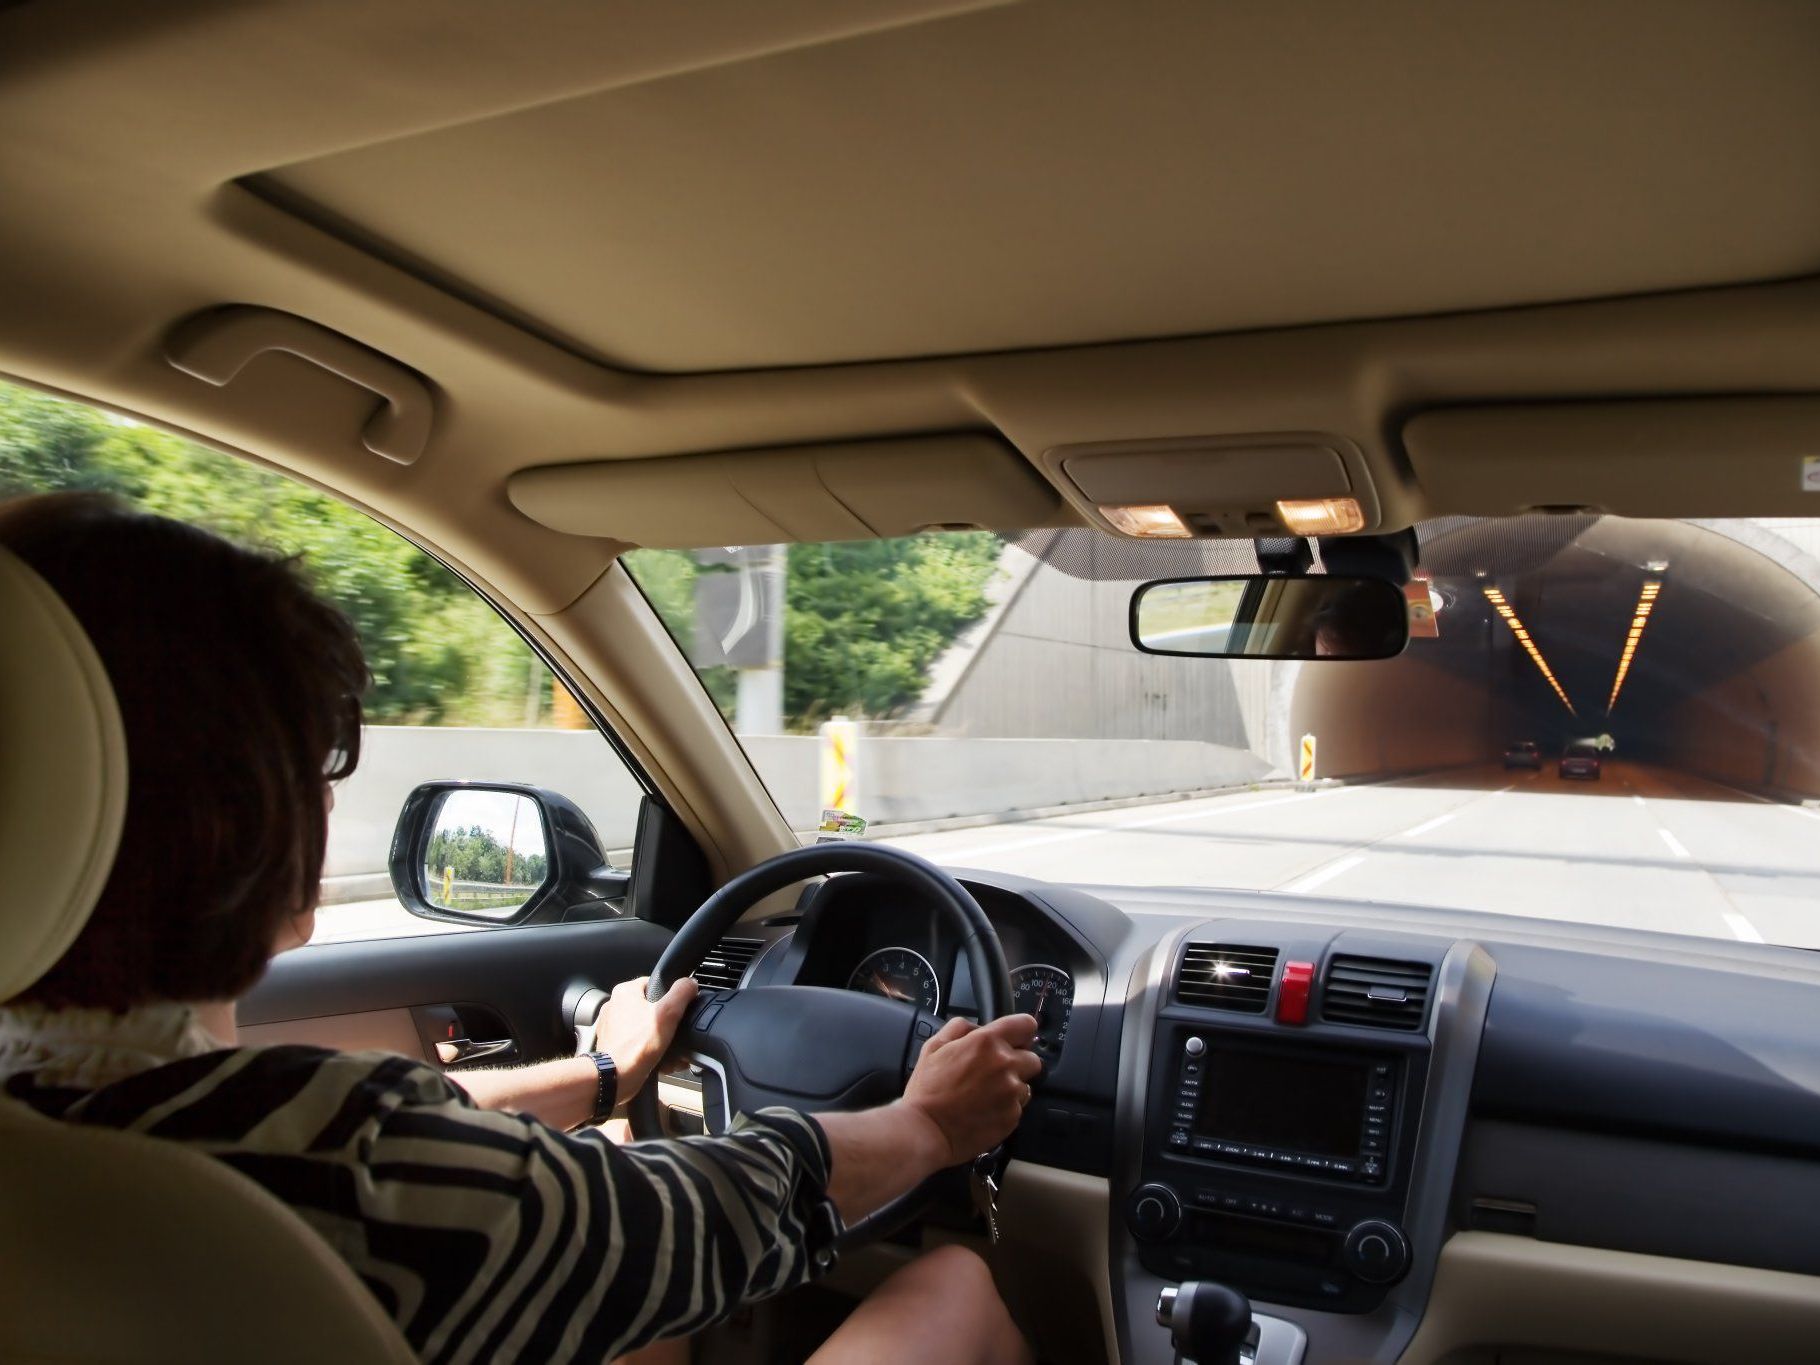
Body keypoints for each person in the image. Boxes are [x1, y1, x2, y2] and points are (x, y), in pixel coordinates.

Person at [0, 492, 1039, 1365]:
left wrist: (600, 1079)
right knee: (950, 1287)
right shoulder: (345, 1168)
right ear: (235, 812)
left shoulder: (85, 1125)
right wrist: (928, 1127)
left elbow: (429, 1126)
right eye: (311, 766)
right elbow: (694, 1220)